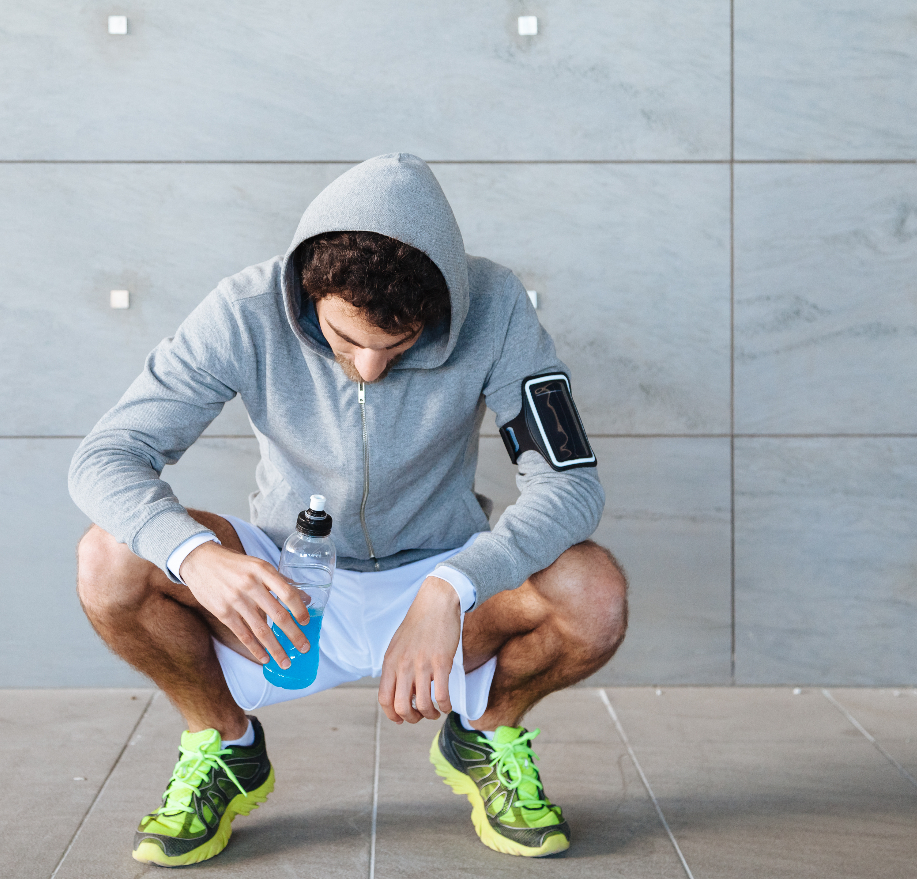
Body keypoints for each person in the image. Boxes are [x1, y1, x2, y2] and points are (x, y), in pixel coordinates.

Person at [69, 153, 627, 866]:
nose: (370, 367)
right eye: (346, 341)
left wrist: (452, 586)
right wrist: (195, 556)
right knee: (108, 557)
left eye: (397, 345)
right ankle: (224, 743)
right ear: (308, 293)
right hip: (288, 586)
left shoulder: (495, 305)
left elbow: (571, 485)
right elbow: (105, 455)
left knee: (594, 590)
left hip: (442, 579)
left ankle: (486, 732)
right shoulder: (244, 310)